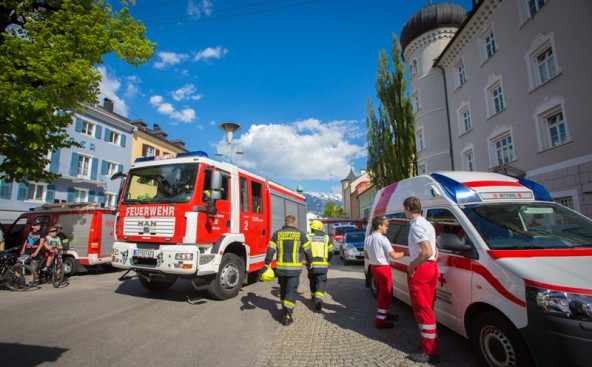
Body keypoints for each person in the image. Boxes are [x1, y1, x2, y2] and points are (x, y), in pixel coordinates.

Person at [404, 196, 440, 364]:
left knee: (422, 309)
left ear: (408, 208)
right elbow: (435, 251)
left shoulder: (416, 225)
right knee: (428, 307)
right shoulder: (428, 224)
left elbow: (426, 251)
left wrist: (412, 265)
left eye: (405, 209)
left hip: (422, 268)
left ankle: (429, 352)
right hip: (432, 267)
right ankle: (427, 344)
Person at [263, 215, 310, 326]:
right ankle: (287, 314)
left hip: (281, 269)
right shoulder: (301, 234)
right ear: (294, 222)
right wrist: (310, 262)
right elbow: (308, 250)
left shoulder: (277, 234)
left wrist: (267, 263)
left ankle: (284, 309)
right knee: (291, 290)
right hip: (294, 270)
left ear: (285, 222)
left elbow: (270, 249)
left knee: (283, 289)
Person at [363, 216, 404, 329]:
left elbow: (366, 254)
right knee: (385, 294)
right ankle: (380, 320)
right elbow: (394, 255)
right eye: (385, 225)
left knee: (381, 291)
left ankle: (386, 313)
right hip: (383, 268)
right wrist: (404, 253)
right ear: (379, 226)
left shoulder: (368, 239)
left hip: (374, 267)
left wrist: (375, 256)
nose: (387, 228)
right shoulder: (383, 239)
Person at [303, 219, 333, 311]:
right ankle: (318, 299)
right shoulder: (327, 237)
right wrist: (328, 259)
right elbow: (331, 251)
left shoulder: (308, 237)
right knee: (321, 281)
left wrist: (307, 261)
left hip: (311, 264)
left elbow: (305, 250)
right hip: (323, 264)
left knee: (312, 280)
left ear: (312, 228)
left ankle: (313, 296)